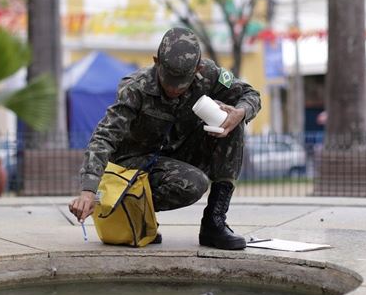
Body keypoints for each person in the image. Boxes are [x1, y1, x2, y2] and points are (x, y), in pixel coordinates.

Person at [68, 26, 261, 250]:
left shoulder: (210, 74)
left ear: (197, 68)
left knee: (233, 122)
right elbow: (104, 136)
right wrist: (88, 191)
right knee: (193, 183)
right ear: (156, 61)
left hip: (180, 152)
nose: (173, 89)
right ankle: (137, 215)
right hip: (136, 164)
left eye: (181, 83)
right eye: (168, 80)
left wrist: (241, 112)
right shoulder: (136, 88)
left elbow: (250, 94)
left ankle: (214, 222)